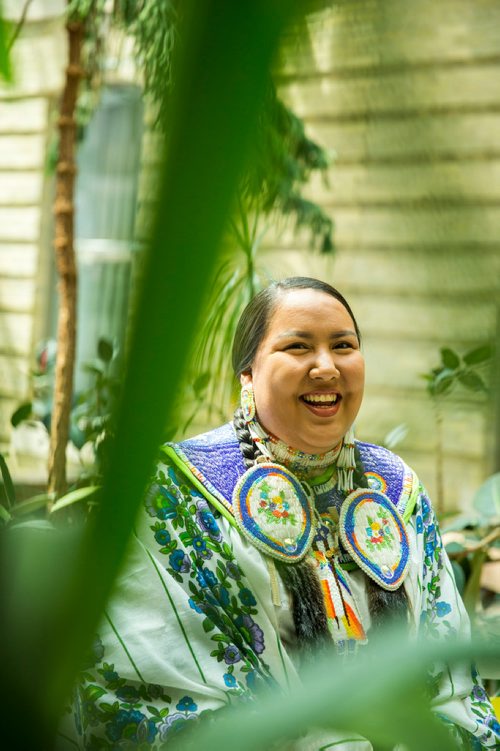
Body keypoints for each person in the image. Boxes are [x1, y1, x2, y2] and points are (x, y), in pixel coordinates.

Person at [67, 277, 500, 750]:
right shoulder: (173, 493)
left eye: (343, 346)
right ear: (247, 373)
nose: (326, 367)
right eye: (297, 347)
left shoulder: (397, 489)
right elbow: (145, 686)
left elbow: (452, 678)